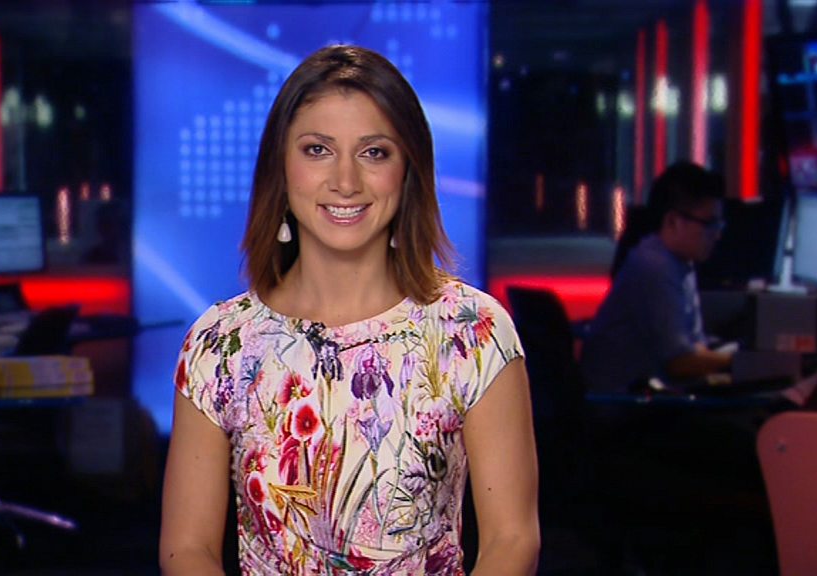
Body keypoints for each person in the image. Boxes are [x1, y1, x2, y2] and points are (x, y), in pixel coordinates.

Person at [160, 45, 539, 575]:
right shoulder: (221, 345)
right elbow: (187, 549)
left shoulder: (473, 332)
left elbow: (511, 539)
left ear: (407, 171)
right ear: (280, 168)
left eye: (374, 152)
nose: (345, 181)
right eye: (317, 150)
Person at [581, 161, 734, 394]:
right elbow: (679, 363)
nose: (717, 234)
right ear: (673, 221)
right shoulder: (655, 268)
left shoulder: (679, 263)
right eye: (709, 223)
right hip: (628, 404)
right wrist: (744, 362)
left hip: (651, 396)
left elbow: (693, 347)